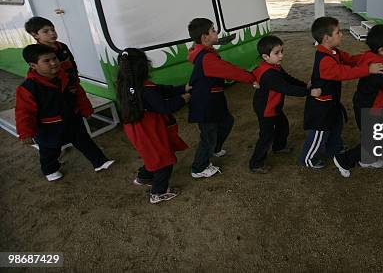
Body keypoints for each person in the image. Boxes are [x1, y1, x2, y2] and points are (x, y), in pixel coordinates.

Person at [15, 44, 114, 181]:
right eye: (46, 61)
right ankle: (51, 170)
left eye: (54, 58)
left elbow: (79, 94)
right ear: (33, 65)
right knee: (50, 150)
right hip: (48, 129)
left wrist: (86, 109)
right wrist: (25, 133)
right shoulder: (28, 88)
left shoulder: (68, 78)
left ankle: (100, 162)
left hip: (73, 120)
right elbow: (24, 112)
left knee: (85, 141)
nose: (53, 63)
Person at [300, 16, 383, 169]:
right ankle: (308, 159)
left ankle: (334, 149)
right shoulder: (324, 59)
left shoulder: (333, 51)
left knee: (336, 125)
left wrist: (369, 57)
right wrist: (368, 69)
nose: (342, 35)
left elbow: (350, 60)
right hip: (321, 106)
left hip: (332, 102)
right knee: (320, 133)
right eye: (338, 32)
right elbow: (343, 73)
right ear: (327, 38)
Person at [332, 24, 383, 178]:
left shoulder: (376, 57)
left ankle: (367, 160)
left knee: (376, 135)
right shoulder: (379, 69)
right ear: (382, 50)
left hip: (370, 106)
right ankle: (344, 159)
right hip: (368, 109)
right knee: (371, 140)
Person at [116, 48, 190, 204]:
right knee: (164, 159)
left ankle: (144, 177)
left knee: (151, 154)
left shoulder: (126, 85)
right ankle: (158, 192)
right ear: (144, 66)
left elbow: (160, 90)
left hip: (135, 127)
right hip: (148, 129)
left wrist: (182, 87)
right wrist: (184, 98)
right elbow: (164, 106)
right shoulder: (146, 89)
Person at [187, 18, 255, 178]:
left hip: (214, 97)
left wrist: (216, 41)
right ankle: (199, 168)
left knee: (226, 121)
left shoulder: (202, 50)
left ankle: (215, 149)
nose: (216, 32)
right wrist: (251, 77)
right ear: (205, 38)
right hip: (205, 102)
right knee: (208, 135)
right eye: (213, 30)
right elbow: (229, 71)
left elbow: (200, 50)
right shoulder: (206, 58)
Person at [250, 35, 321, 173]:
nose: (281, 55)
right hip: (266, 109)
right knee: (266, 136)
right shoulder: (269, 74)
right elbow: (287, 88)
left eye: (282, 51)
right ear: (265, 57)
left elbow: (288, 79)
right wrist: (309, 93)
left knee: (283, 125)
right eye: (277, 53)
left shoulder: (275, 66)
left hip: (274, 106)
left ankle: (279, 147)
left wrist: (306, 86)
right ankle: (256, 163)